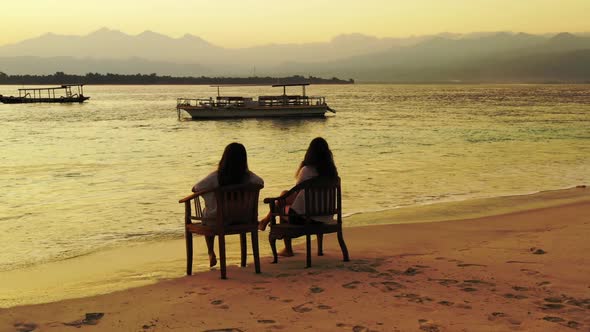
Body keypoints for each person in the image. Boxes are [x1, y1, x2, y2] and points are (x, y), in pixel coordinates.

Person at [258, 137, 338, 257]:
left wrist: (282, 199)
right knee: (284, 195)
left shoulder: (306, 170)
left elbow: (295, 193)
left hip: (304, 218)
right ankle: (319, 250)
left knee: (281, 204)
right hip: (325, 216)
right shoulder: (332, 173)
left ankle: (288, 249)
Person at [192, 142, 264, 267]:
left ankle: (211, 251)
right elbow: (260, 182)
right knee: (211, 213)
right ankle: (243, 260)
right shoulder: (248, 177)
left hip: (220, 220)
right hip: (243, 219)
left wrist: (212, 192)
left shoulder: (216, 176)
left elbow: (196, 188)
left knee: (206, 215)